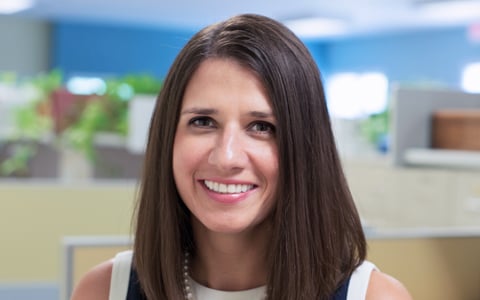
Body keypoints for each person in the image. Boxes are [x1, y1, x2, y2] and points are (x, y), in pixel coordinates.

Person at [71, 13, 412, 300]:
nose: (227, 157)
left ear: (305, 149)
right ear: (167, 139)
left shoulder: (373, 295)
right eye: (202, 122)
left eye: (262, 126)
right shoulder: (103, 291)